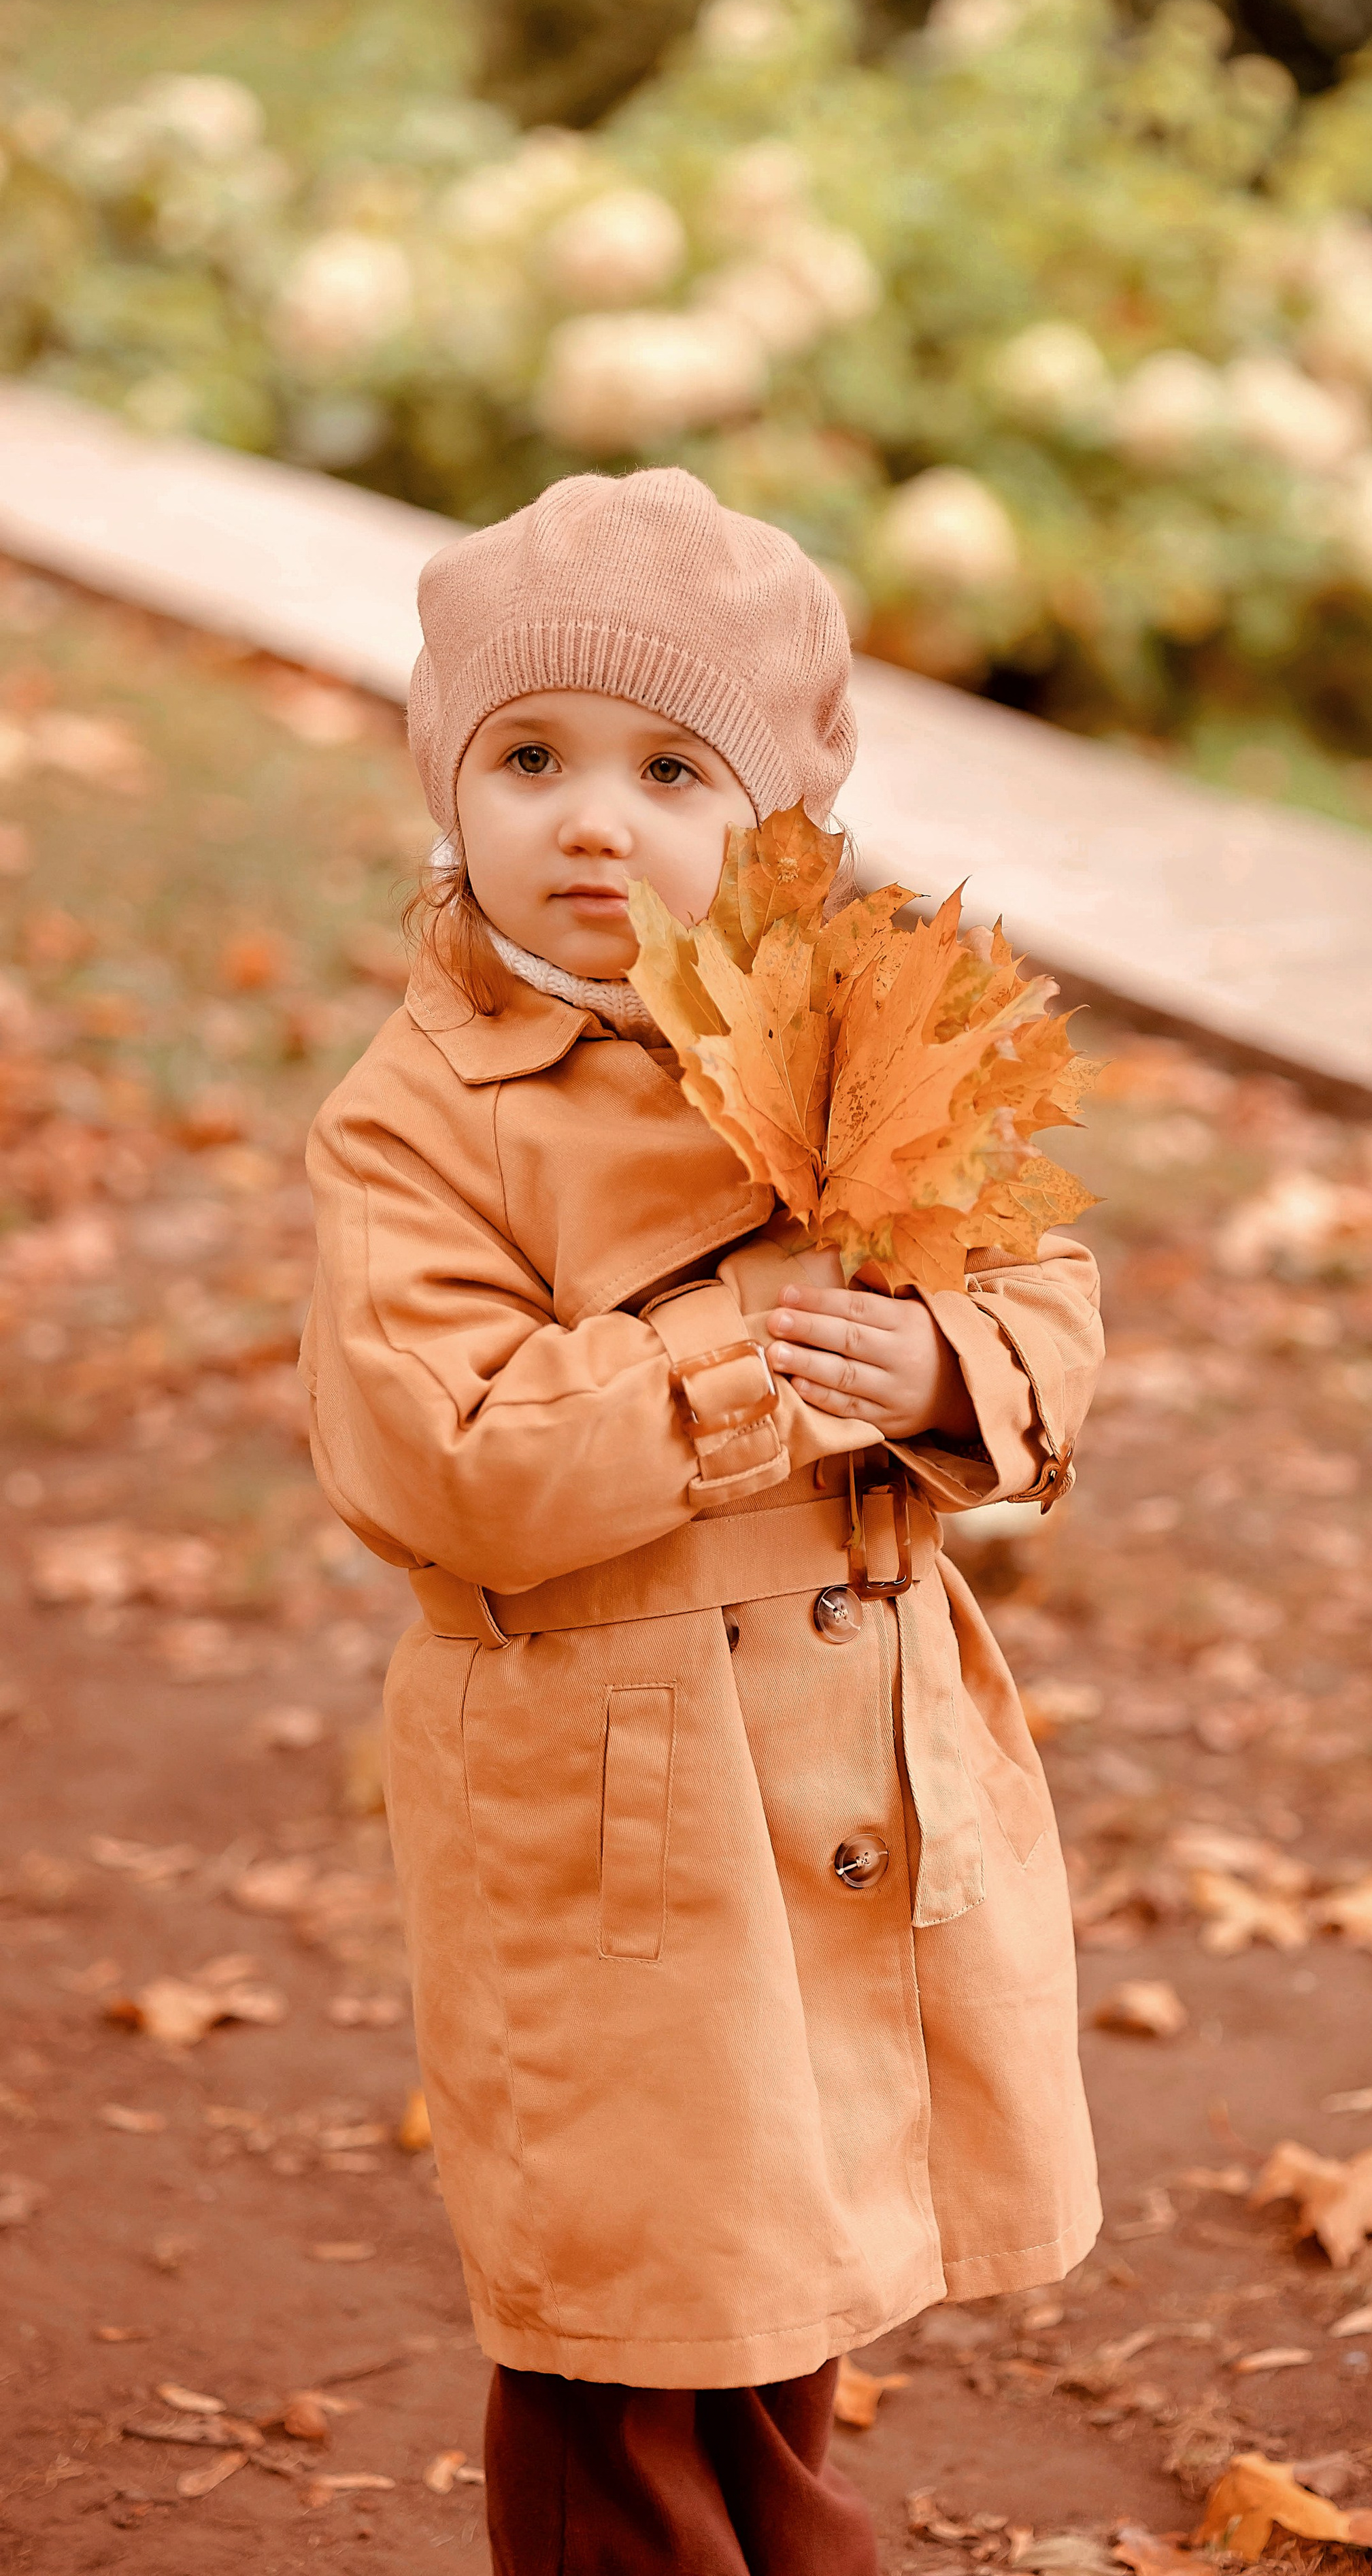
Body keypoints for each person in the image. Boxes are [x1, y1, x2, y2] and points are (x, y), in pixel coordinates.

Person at [299, 467, 1103, 2575]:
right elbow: (448, 1450)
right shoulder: (422, 1120)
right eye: (530, 757)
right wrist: (749, 1351)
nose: (594, 820)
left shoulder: (865, 1031)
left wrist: (942, 1370)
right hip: (613, 1810)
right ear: (445, 786)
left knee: (785, 2284)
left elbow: (1038, 1282)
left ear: (780, 814)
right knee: (625, 2329)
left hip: (843, 1780)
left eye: (673, 768)